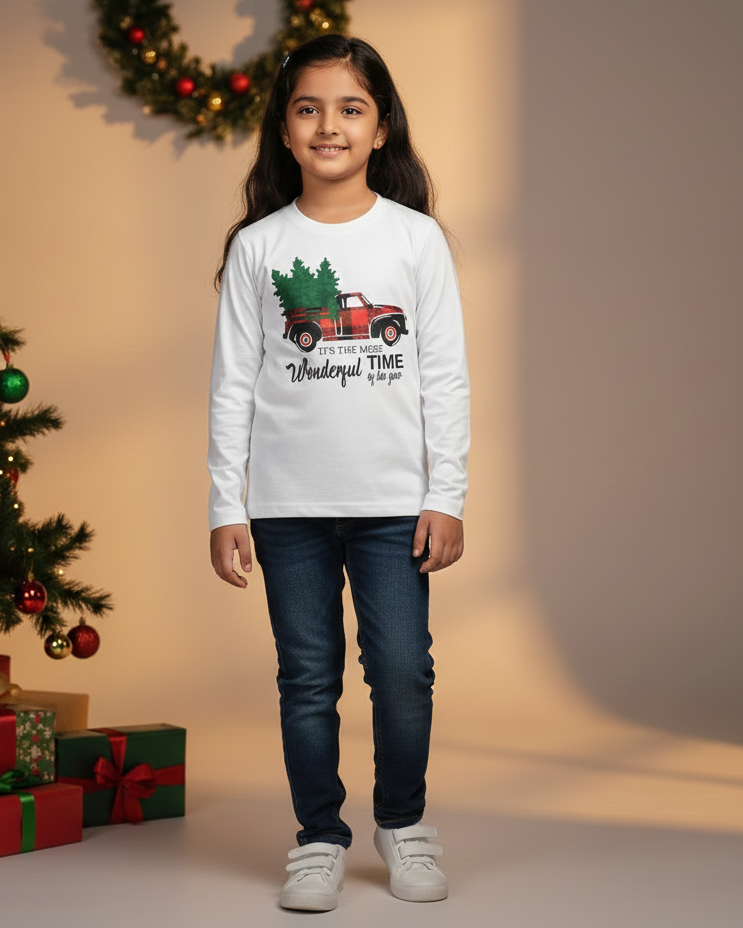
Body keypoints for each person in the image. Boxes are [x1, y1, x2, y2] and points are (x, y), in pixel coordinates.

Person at [208, 33, 469, 912]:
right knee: (306, 677)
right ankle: (318, 834)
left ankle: (404, 822)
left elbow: (445, 379)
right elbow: (232, 387)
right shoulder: (260, 248)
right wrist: (225, 505)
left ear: (381, 128)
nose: (329, 125)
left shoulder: (415, 240)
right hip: (286, 507)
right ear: (284, 131)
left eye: (350, 108)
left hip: (395, 504)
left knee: (402, 670)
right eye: (309, 109)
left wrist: (447, 496)